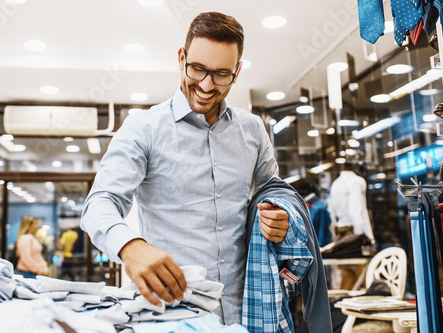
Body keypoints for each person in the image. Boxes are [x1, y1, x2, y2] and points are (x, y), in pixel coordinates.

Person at [81, 12, 290, 325]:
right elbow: (99, 203)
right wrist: (130, 246)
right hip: (174, 315)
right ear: (182, 57)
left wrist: (281, 217)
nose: (207, 84)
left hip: (248, 312)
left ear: (237, 71)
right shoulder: (142, 128)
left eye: (221, 74)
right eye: (198, 69)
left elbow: (274, 192)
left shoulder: (253, 129)